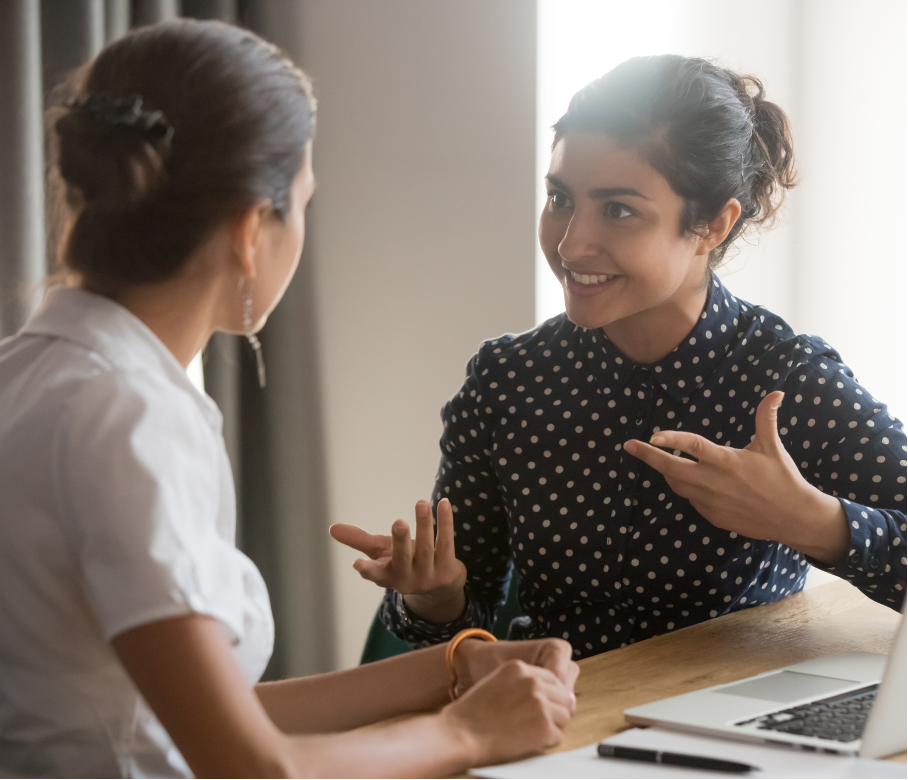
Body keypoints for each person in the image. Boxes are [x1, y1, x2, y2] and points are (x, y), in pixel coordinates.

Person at [0, 20, 580, 779]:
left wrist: (454, 667)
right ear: (249, 229)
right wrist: (468, 735)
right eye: (301, 202)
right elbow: (248, 765)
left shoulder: (31, 375)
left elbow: (176, 717)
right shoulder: (128, 417)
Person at [331, 55, 907, 659]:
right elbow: (462, 614)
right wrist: (433, 596)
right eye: (559, 198)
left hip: (732, 725)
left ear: (712, 224)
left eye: (618, 209)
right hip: (556, 718)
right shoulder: (508, 380)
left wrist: (813, 522)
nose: (571, 242)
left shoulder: (788, 382)